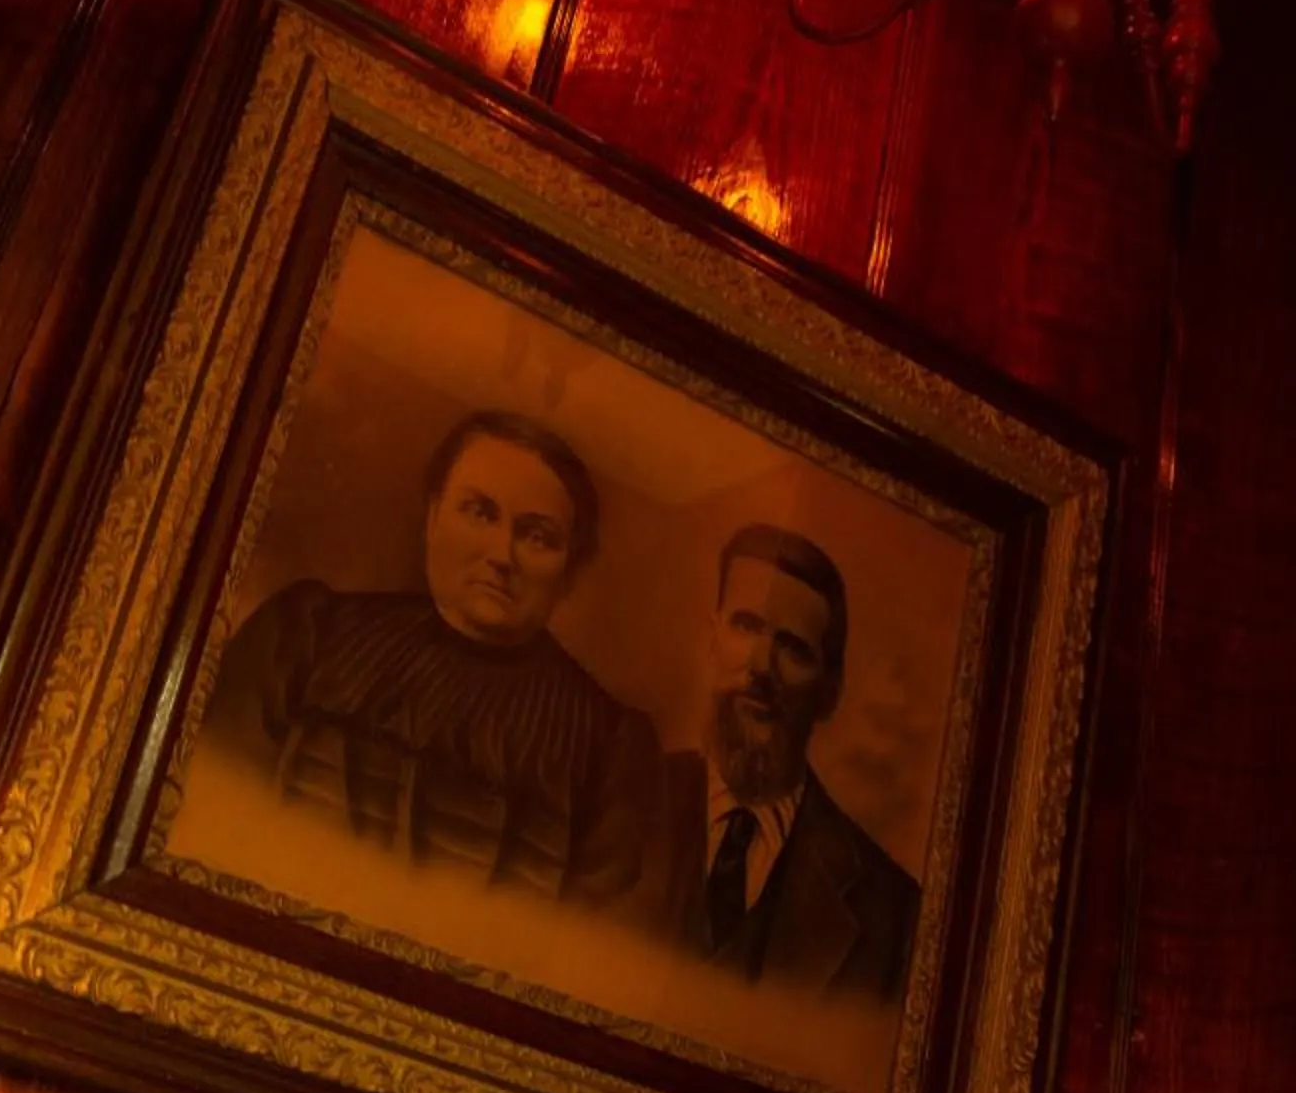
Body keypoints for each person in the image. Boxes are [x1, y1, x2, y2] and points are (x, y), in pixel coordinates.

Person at [197, 410, 657, 902]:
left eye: (537, 536)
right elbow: (210, 833)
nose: (502, 555)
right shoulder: (306, 635)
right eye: (479, 512)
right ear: (433, 517)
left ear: (569, 570)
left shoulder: (608, 745)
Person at [646, 523, 920, 1003]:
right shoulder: (620, 798)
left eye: (793, 648)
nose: (758, 665)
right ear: (713, 640)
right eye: (746, 625)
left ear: (830, 692)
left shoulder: (892, 913)